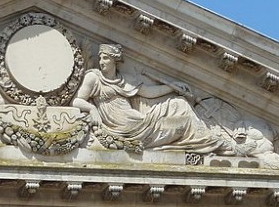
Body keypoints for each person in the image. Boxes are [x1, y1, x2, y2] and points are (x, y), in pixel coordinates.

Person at [72, 43, 223, 153]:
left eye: (105, 58)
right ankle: (210, 141)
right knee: (181, 121)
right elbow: (77, 101)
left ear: (114, 61)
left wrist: (172, 87)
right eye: (100, 58)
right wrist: (92, 108)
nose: (101, 62)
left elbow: (149, 93)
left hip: (137, 121)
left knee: (179, 103)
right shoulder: (93, 77)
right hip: (122, 127)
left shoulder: (125, 79)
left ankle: (207, 137)